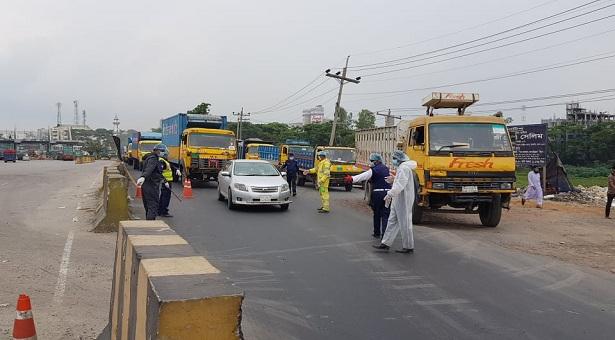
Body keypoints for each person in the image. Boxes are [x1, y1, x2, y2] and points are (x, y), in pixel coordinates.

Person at [373, 150, 417, 253]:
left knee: (405, 223)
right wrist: (393, 179)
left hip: (403, 199)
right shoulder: (402, 168)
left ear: (399, 159)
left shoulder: (404, 168)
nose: (393, 160)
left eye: (394, 158)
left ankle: (408, 246)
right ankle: (385, 243)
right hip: (398, 199)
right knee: (392, 221)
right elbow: (400, 181)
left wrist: (390, 193)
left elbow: (400, 184)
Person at [346, 153, 391, 238]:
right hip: (388, 193)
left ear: (376, 161)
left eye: (372, 161)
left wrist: (352, 179)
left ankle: (377, 232)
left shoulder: (374, 170)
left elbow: (363, 176)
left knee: (377, 214)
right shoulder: (386, 168)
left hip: (378, 194)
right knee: (385, 215)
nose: (371, 163)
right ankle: (385, 234)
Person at [136, 144, 166, 220]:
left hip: (147, 185)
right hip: (151, 186)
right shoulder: (153, 159)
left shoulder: (150, 158)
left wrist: (164, 180)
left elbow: (156, 172)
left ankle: (148, 222)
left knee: (148, 206)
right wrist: (143, 176)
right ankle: (150, 224)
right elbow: (149, 169)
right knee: (153, 206)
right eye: (162, 151)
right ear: (157, 151)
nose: (163, 152)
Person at [158, 146, 182, 218]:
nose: (167, 155)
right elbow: (160, 172)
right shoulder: (161, 161)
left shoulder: (164, 160)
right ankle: (164, 211)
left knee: (163, 196)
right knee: (166, 197)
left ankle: (160, 211)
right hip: (166, 182)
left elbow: (170, 165)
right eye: (166, 154)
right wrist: (165, 181)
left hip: (167, 181)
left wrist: (176, 169)